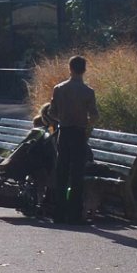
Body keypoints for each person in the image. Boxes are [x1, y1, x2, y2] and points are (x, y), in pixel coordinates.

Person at [49, 55, 98, 223]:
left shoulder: (59, 89)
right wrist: (86, 124)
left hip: (64, 131)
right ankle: (75, 213)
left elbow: (51, 112)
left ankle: (59, 212)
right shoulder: (88, 92)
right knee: (77, 172)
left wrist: (61, 118)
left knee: (61, 170)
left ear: (70, 68)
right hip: (79, 133)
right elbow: (94, 115)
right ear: (84, 70)